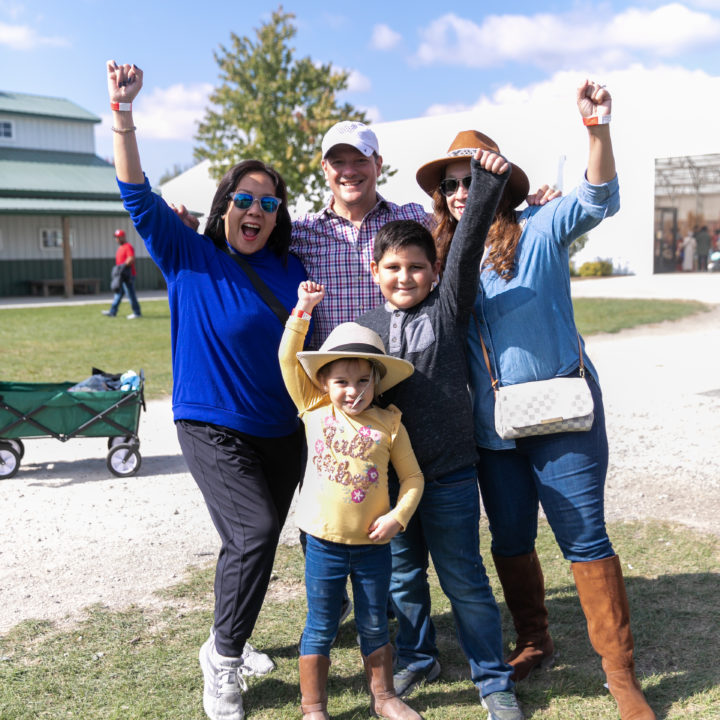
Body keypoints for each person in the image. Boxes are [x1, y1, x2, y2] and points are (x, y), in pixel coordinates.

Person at [424, 81, 655, 720]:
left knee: (584, 537)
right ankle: (536, 639)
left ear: (502, 182)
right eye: (449, 185)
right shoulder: (441, 255)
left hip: (565, 414)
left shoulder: (541, 225)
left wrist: (596, 130)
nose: (461, 191)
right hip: (491, 428)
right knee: (511, 537)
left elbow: (598, 196)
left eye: (473, 178)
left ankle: (620, 675)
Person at [106, 60, 308, 720]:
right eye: (245, 200)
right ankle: (222, 662)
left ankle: (236, 639)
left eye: (269, 203)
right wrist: (123, 112)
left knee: (261, 535)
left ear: (278, 217)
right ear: (226, 207)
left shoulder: (289, 267)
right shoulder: (187, 251)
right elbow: (135, 192)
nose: (255, 210)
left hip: (283, 429)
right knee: (251, 533)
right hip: (211, 424)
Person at [358, 149, 526, 720]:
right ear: (373, 272)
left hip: (450, 475)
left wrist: (485, 181)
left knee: (465, 580)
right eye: (392, 268)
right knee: (403, 579)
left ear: (434, 271)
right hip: (393, 487)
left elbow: (470, 240)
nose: (404, 277)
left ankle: (493, 678)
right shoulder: (366, 329)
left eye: (416, 267)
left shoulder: (449, 307)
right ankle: (420, 654)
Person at [280, 286, 424, 720]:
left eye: (364, 381)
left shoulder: (390, 422)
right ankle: (313, 708)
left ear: (377, 381)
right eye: (341, 382)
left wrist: (399, 516)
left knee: (375, 624)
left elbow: (414, 478)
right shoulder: (315, 409)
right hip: (323, 543)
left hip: (374, 548)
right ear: (324, 382)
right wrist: (301, 312)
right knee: (321, 625)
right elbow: (289, 359)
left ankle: (384, 698)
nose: (353, 392)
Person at [102, 228, 142, 318]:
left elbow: (131, 259)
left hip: (128, 275)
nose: (117, 239)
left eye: (118, 237)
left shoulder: (128, 246)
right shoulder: (120, 248)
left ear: (123, 237)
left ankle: (137, 313)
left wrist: (122, 267)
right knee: (118, 294)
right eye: (116, 237)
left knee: (130, 294)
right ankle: (112, 312)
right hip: (121, 275)